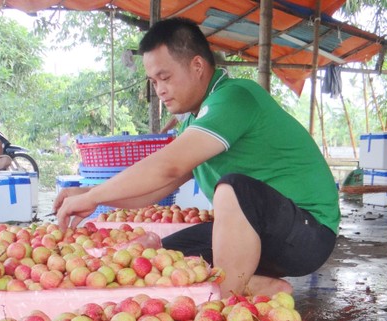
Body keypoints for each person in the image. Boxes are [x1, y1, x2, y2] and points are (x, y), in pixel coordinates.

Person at [55, 18, 340, 298]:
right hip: (263, 233)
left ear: (197, 66)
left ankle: (225, 307)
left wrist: (93, 197)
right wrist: (90, 193)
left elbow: (167, 166)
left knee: (234, 188)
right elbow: (158, 186)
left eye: (165, 78)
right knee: (161, 259)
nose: (160, 90)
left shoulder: (235, 98)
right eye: (153, 81)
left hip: (307, 233)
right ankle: (258, 286)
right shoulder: (194, 122)